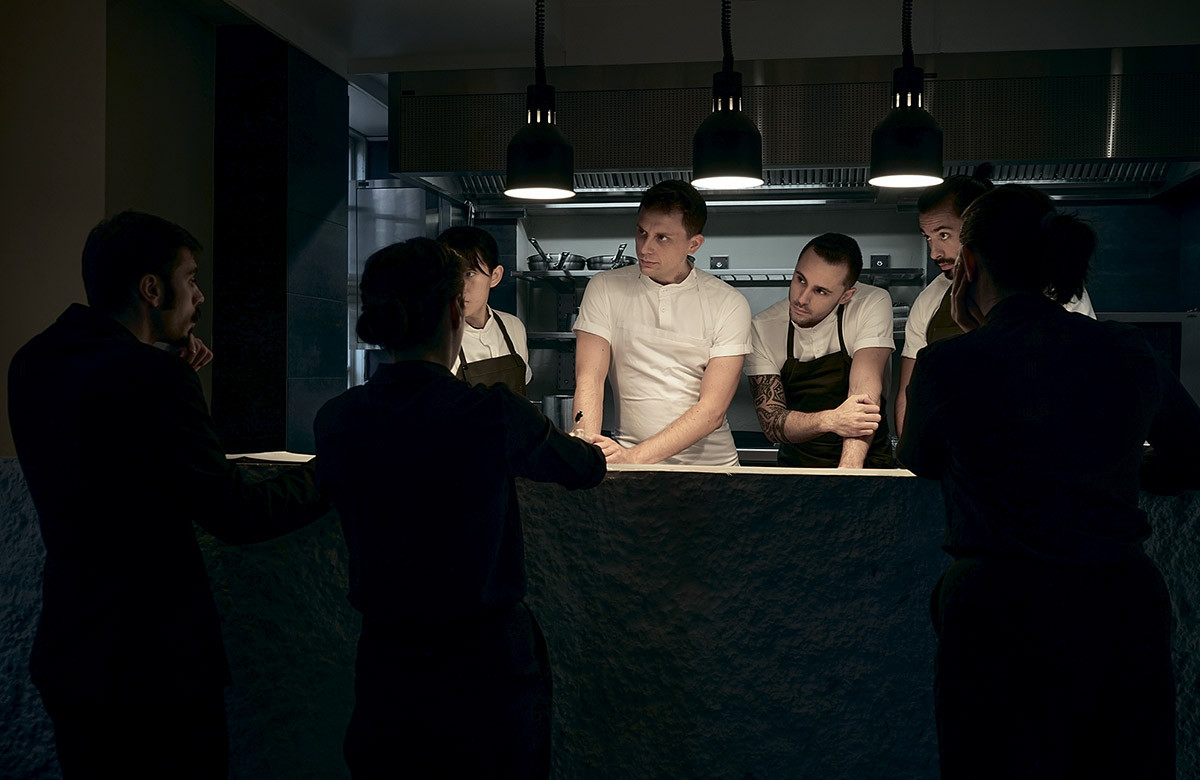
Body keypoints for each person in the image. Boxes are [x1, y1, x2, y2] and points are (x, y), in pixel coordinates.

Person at [7, 210, 330, 779]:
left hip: (70, 649)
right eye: (190, 279)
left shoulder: (32, 361)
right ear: (152, 289)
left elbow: (108, 447)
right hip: (156, 663)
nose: (199, 296)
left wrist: (165, 369)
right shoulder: (157, 379)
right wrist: (334, 472)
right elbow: (236, 513)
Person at [896, 184, 1200, 778]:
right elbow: (1194, 456)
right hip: (1119, 603)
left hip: (997, 607)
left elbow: (919, 458)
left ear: (970, 264)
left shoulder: (949, 364)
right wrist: (1120, 466)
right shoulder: (1126, 349)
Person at [313, 237, 605, 779]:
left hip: (388, 663)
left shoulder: (338, 419)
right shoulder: (493, 415)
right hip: (485, 666)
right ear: (453, 311)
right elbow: (585, 468)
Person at [894, 164, 1096, 436]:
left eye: (944, 235)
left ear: (979, 227)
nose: (934, 253)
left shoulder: (1062, 295)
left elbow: (1075, 388)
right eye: (928, 238)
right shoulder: (930, 300)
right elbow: (910, 402)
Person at [571, 180, 751, 466]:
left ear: (693, 244)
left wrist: (634, 457)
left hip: (712, 469)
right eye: (641, 232)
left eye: (662, 238)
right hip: (629, 462)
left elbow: (712, 411)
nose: (645, 248)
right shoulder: (604, 288)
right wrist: (585, 448)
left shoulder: (728, 303)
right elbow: (589, 379)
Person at [745, 233, 895, 468]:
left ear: (846, 296)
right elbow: (772, 422)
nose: (801, 298)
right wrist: (831, 420)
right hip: (798, 467)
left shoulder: (872, 303)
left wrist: (848, 472)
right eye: (800, 279)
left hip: (867, 463)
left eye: (821, 291)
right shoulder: (763, 327)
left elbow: (863, 392)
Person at [439, 225, 532, 396]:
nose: (459, 287)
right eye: (451, 275)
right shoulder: (434, 337)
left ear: (495, 276)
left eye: (470, 274)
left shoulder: (513, 326)